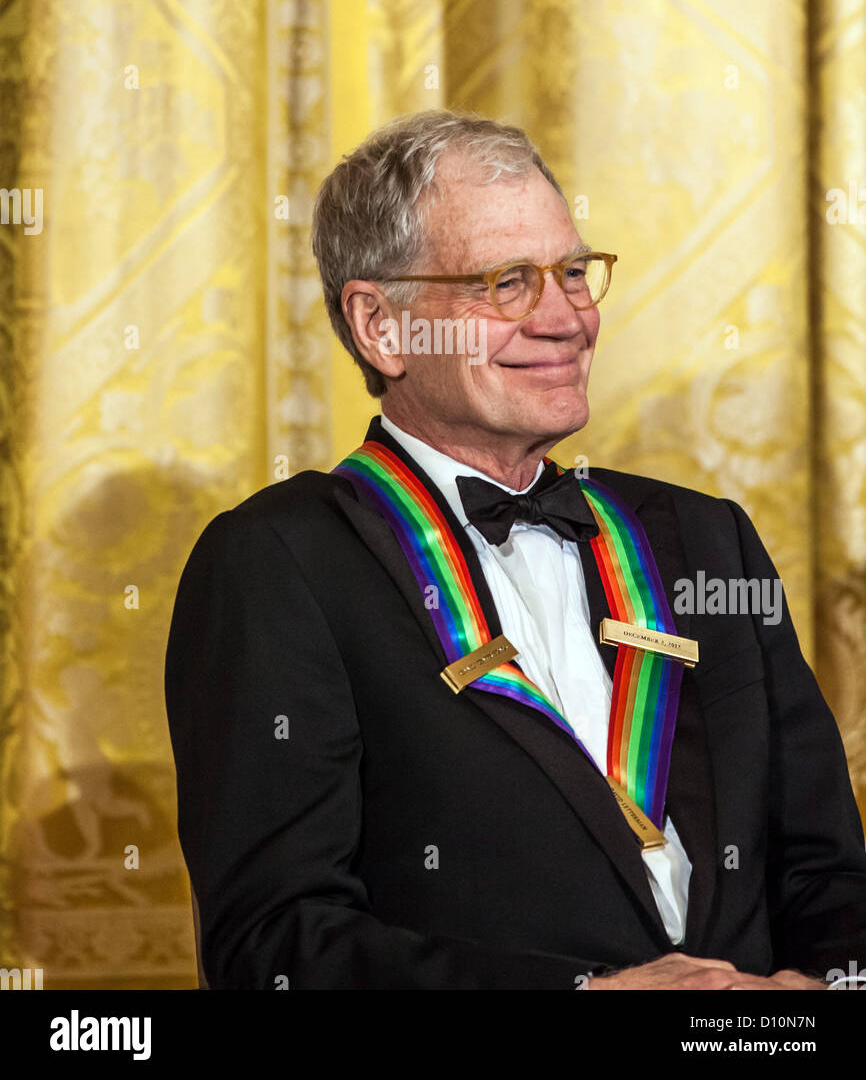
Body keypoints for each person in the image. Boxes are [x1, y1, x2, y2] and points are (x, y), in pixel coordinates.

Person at [165, 109, 866, 990]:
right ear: (382, 325)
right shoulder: (278, 563)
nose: (566, 318)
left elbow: (830, 879)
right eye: (507, 283)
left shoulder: (705, 538)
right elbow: (274, 948)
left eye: (574, 272)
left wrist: (824, 993)